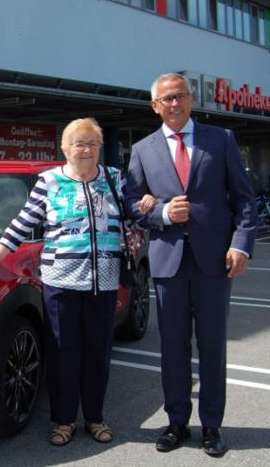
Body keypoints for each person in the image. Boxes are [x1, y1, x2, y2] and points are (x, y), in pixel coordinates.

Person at [0, 117, 155, 447]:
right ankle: (63, 421)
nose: (86, 149)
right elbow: (23, 221)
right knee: (63, 354)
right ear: (65, 148)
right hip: (60, 282)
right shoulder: (49, 182)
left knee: (97, 353)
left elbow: (132, 214)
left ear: (100, 148)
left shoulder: (113, 178)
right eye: (79, 143)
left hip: (104, 281)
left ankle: (95, 418)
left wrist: (146, 206)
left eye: (92, 144)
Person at [124, 73, 257, 457]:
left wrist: (241, 246)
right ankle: (177, 422)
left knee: (213, 346)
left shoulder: (221, 140)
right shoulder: (143, 149)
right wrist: (163, 212)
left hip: (215, 261)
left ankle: (212, 426)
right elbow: (132, 204)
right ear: (155, 106)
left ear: (191, 99)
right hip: (168, 263)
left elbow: (245, 201)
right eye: (167, 99)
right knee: (173, 347)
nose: (175, 103)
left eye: (180, 96)